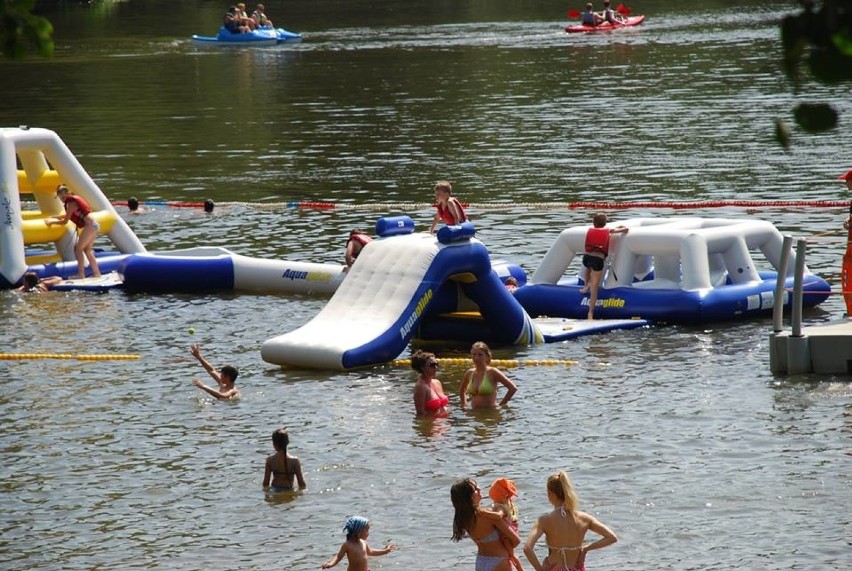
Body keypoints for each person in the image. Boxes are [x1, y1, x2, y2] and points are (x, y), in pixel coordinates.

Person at [523, 471, 617, 571]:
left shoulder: (545, 520)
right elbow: (612, 537)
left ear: (550, 493)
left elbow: (527, 548)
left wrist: (540, 569)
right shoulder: (584, 518)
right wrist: (586, 549)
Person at [451, 477, 521, 571]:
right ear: (470, 496)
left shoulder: (463, 518)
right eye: (475, 489)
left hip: (481, 561)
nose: (479, 488)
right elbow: (516, 540)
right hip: (499, 561)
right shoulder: (489, 516)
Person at [45, 184, 102, 279]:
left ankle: (81, 275)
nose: (62, 199)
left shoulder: (71, 203)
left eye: (63, 196)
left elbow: (65, 221)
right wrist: (53, 217)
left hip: (90, 226)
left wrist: (52, 222)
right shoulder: (71, 203)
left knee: (78, 249)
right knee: (87, 250)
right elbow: (67, 215)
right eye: (60, 197)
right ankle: (97, 273)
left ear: (68, 193)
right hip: (94, 225)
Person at [580, 213, 628, 320]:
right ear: (605, 223)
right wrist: (622, 228)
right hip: (598, 259)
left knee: (588, 269)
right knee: (595, 286)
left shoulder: (590, 230)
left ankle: (584, 287)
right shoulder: (608, 230)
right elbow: (624, 230)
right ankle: (590, 313)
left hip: (587, 257)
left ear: (594, 223)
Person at [321, 516, 396, 570]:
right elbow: (338, 556)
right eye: (366, 530)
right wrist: (331, 564)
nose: (368, 533)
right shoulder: (347, 545)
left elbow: (371, 552)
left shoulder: (363, 542)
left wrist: (385, 551)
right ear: (358, 531)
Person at [459, 342, 518, 410]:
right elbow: (462, 391)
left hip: (490, 413)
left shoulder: (492, 372)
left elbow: (513, 388)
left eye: (480, 355)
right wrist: (464, 405)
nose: (476, 357)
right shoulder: (469, 373)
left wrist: (501, 405)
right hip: (474, 413)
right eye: (474, 354)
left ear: (487, 356)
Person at [489, 478, 525, 571]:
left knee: (512, 555)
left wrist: (484, 513)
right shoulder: (506, 504)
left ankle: (520, 569)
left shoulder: (500, 507)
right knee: (510, 554)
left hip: (505, 536)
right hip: (509, 531)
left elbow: (498, 516)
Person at [262, 428, 306, 492]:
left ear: (274, 444)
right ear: (288, 442)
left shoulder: (270, 461)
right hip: (289, 490)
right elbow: (301, 484)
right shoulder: (295, 461)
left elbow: (265, 484)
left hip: (274, 490)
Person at [411, 349, 449, 416]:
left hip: (444, 423)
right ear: (422, 367)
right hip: (432, 424)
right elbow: (420, 413)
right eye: (432, 365)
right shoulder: (420, 387)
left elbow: (443, 406)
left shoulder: (437, 382)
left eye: (436, 364)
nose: (436, 367)